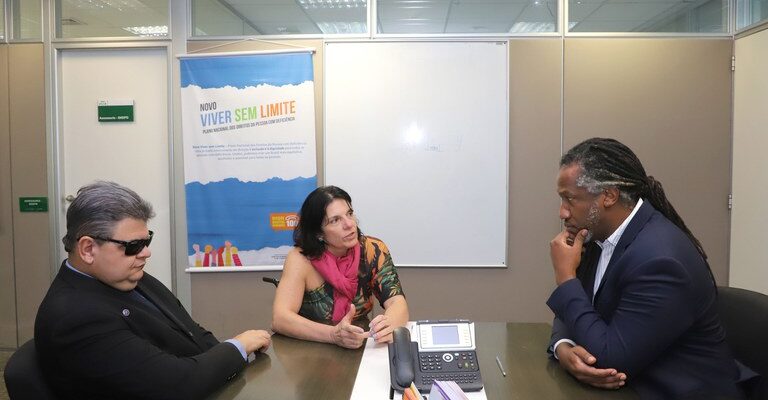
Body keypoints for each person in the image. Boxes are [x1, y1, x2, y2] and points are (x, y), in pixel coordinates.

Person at [547, 138, 745, 399]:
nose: (562, 212)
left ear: (608, 196)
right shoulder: (599, 235)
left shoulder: (661, 262)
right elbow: (574, 309)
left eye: (570, 199)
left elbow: (609, 361)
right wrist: (564, 347)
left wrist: (566, 278)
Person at [34, 181, 272, 400]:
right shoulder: (74, 317)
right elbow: (177, 385)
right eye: (133, 245)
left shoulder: (129, 277)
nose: (145, 252)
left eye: (146, 241)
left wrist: (224, 355)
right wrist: (237, 347)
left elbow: (190, 331)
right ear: (87, 249)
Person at [272, 185, 409, 349]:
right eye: (335, 220)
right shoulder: (300, 259)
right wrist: (333, 335)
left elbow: (396, 301)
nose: (349, 224)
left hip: (358, 343)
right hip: (310, 347)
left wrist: (388, 324)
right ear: (318, 233)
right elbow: (280, 319)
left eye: (349, 214)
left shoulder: (373, 249)